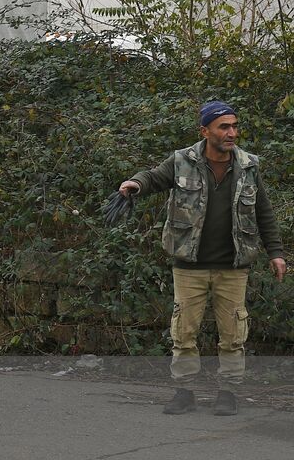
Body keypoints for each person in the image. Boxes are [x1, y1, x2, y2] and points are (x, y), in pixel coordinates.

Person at [118, 100, 286, 416]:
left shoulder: (248, 165)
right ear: (205, 130)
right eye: (224, 126)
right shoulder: (183, 161)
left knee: (233, 334)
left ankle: (228, 393)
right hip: (189, 264)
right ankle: (185, 392)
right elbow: (154, 177)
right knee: (184, 332)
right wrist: (135, 183)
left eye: (235, 126)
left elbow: (263, 211)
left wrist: (275, 253)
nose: (232, 132)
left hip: (233, 267)